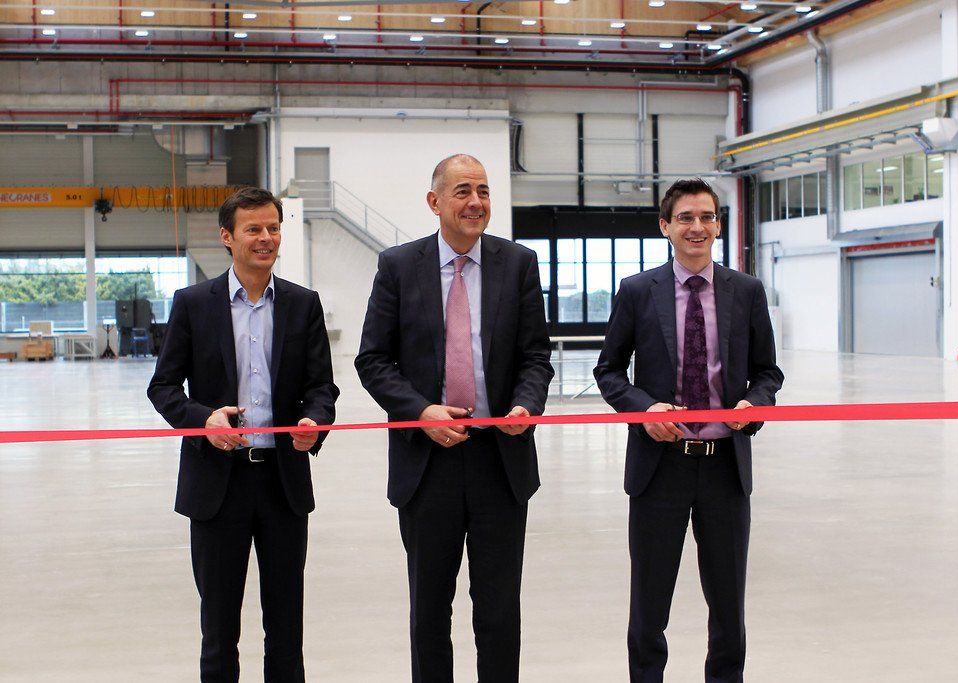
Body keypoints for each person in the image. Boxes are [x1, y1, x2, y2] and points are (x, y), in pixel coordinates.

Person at [355, 154, 553, 682]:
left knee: (499, 612)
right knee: (429, 611)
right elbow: (373, 360)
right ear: (434, 201)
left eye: (483, 191)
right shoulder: (399, 266)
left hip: (500, 460)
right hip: (428, 464)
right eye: (463, 190)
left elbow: (536, 356)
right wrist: (420, 411)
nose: (476, 202)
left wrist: (525, 406)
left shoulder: (518, 264)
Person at [594, 178, 783, 683]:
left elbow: (768, 372)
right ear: (665, 226)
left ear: (718, 225)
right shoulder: (638, 291)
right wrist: (644, 409)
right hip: (660, 469)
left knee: (728, 604)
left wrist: (754, 404)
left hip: (725, 469)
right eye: (685, 218)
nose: (696, 227)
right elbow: (608, 371)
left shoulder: (746, 291)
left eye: (706, 217)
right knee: (649, 603)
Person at [148, 187, 339, 682]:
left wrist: (314, 424)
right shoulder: (193, 304)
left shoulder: (302, 304)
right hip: (218, 486)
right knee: (218, 630)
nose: (266, 238)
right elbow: (163, 387)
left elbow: (322, 387)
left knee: (286, 630)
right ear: (227, 237)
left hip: (282, 484)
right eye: (253, 229)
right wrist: (203, 420)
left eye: (273, 227)